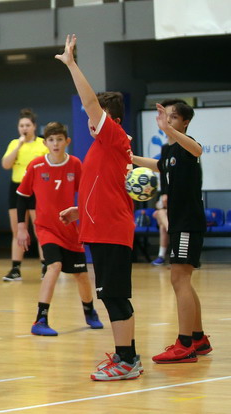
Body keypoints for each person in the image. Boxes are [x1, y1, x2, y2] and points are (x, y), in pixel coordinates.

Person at [57, 35, 141, 381]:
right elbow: (105, 188)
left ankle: (126, 361)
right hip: (101, 227)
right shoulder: (104, 147)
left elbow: (90, 102)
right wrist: (80, 210)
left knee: (115, 297)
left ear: (110, 118)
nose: (89, 120)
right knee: (113, 296)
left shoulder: (113, 136)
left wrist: (71, 64)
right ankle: (127, 357)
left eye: (95, 116)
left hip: (111, 232)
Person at [132, 99, 211, 363]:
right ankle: (198, 338)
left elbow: (198, 150)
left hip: (188, 223)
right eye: (165, 117)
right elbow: (159, 165)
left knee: (179, 280)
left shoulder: (188, 146)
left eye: (173, 117)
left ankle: (184, 345)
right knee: (182, 280)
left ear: (185, 122)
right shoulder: (170, 150)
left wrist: (169, 129)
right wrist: (130, 158)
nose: (167, 121)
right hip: (179, 222)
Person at [16, 122, 103, 336]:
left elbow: (86, 194)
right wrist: (21, 227)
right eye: (51, 140)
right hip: (46, 228)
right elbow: (22, 197)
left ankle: (90, 312)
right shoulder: (36, 166)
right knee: (53, 266)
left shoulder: (75, 164)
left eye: (59, 139)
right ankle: (40, 319)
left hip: (69, 230)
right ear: (45, 143)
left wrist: (83, 214)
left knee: (81, 274)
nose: (55, 144)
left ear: (67, 141)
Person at [1, 108, 49, 281]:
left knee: (39, 230)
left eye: (27, 125)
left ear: (34, 126)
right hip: (17, 188)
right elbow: (6, 164)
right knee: (17, 230)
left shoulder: (43, 144)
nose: (24, 128)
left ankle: (46, 266)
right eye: (21, 125)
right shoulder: (14, 143)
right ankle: (15, 269)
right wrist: (19, 146)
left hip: (37, 189)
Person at [151, 192, 169, 266]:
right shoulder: (162, 192)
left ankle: (161, 256)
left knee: (162, 225)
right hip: (167, 220)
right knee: (160, 214)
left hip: (178, 218)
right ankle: (170, 230)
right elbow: (157, 206)